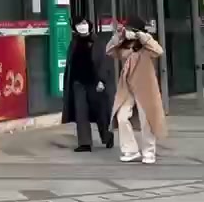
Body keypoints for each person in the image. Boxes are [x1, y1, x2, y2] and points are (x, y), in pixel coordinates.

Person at [105, 15, 167, 164]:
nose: (129, 32)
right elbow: (110, 51)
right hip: (127, 86)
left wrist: (141, 36)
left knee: (147, 120)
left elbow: (159, 51)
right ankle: (130, 150)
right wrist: (118, 36)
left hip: (145, 86)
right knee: (121, 116)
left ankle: (149, 151)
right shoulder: (125, 44)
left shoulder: (146, 45)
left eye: (131, 29)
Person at [61, 16, 114, 152]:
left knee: (100, 112)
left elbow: (104, 62)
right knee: (81, 112)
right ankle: (85, 143)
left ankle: (107, 136)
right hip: (78, 83)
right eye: (79, 24)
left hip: (94, 83)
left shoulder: (97, 42)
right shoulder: (74, 43)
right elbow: (70, 64)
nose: (82, 26)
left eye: (84, 23)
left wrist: (102, 80)